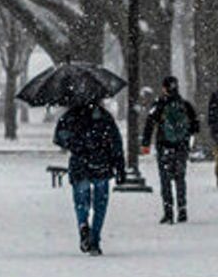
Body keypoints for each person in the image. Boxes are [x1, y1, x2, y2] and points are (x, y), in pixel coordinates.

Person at [55, 96, 125, 255]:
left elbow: (59, 137)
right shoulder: (104, 117)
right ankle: (94, 239)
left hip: (80, 165)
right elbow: (116, 143)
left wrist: (75, 144)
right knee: (101, 204)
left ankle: (83, 225)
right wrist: (120, 167)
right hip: (101, 165)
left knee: (81, 202)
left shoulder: (70, 116)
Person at [141, 74, 196, 224]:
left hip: (164, 146)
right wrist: (184, 138)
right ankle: (182, 209)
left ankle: (168, 212)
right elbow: (195, 126)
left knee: (165, 180)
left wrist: (146, 143)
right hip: (181, 147)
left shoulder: (159, 104)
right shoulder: (185, 105)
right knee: (180, 178)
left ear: (164, 88)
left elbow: (149, 124)